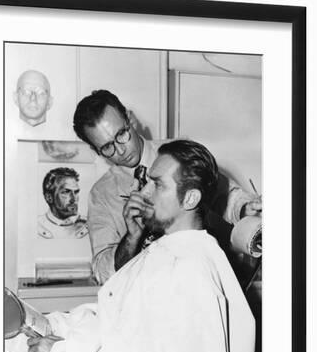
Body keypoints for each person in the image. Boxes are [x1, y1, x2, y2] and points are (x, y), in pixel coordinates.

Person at [22, 140, 255, 352]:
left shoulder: (191, 271)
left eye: (157, 185)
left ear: (190, 198)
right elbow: (117, 318)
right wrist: (49, 325)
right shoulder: (167, 250)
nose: (142, 193)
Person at [73, 89, 262, 284]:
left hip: (198, 280)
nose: (120, 150)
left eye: (121, 134)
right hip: (144, 294)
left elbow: (226, 195)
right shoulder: (101, 195)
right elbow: (103, 272)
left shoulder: (177, 154)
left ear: (130, 119)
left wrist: (244, 209)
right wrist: (131, 238)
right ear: (95, 150)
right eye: (107, 147)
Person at [38, 167, 88, 239]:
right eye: (66, 192)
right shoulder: (37, 226)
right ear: (49, 197)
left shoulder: (89, 225)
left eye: (76, 192)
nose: (73, 199)